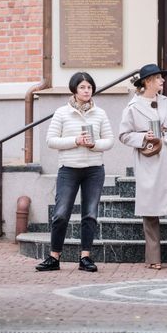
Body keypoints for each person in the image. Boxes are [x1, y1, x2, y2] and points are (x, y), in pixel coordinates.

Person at [36, 72, 114, 272]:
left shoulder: (100, 113)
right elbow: (51, 140)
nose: (86, 91)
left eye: (89, 87)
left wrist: (94, 144)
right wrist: (76, 141)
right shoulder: (62, 112)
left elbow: (109, 141)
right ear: (74, 90)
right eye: (82, 87)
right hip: (68, 170)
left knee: (90, 214)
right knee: (61, 214)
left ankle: (85, 258)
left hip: (94, 170)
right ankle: (54, 257)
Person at [119, 64, 167, 270]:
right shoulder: (133, 107)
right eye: (159, 78)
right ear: (148, 81)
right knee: (150, 209)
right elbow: (124, 135)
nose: (163, 81)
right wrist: (144, 137)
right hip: (149, 159)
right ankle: (153, 258)